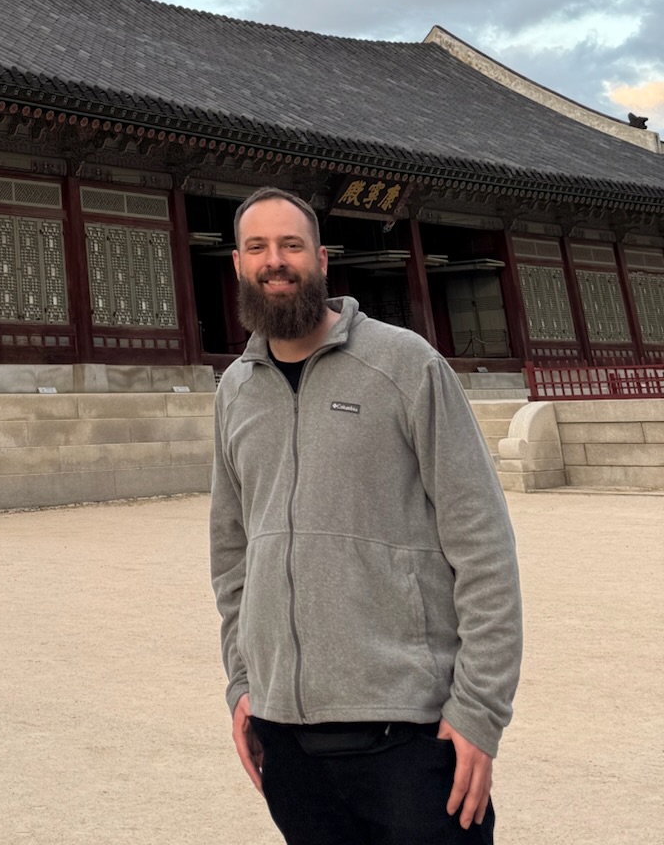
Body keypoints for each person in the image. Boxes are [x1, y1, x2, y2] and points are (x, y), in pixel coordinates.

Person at [209, 187, 522, 842]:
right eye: (258, 247)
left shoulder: (405, 365)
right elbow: (233, 552)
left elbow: (483, 544)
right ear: (237, 264)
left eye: (291, 245)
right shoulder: (235, 390)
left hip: (408, 737)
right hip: (286, 743)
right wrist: (243, 683)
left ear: (320, 257)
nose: (276, 261)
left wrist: (479, 712)